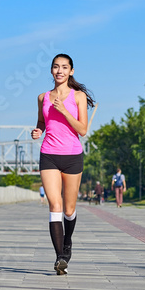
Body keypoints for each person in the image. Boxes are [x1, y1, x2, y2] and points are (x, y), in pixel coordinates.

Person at [31, 53, 95, 275]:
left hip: (72, 156)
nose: (60, 71)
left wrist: (64, 111)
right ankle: (60, 257)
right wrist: (38, 130)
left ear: (71, 71)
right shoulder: (42, 97)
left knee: (69, 209)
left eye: (64, 67)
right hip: (48, 154)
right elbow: (42, 122)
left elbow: (83, 130)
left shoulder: (78, 97)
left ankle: (68, 242)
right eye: (56, 67)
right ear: (51, 70)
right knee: (54, 206)